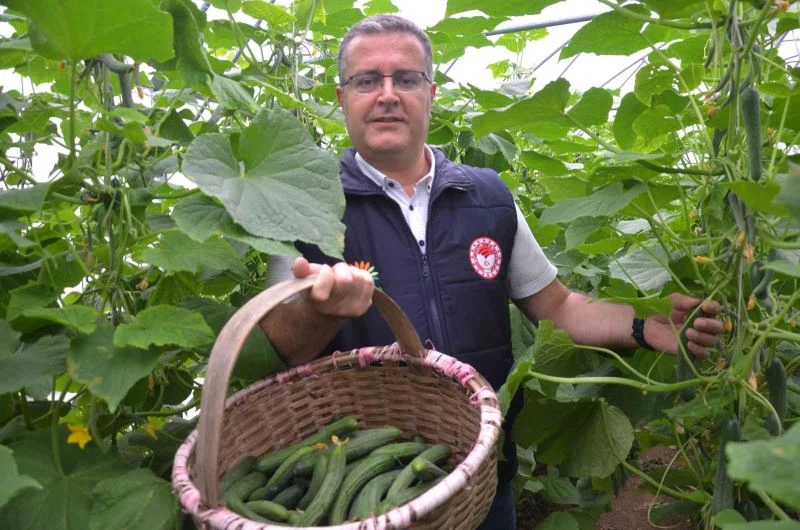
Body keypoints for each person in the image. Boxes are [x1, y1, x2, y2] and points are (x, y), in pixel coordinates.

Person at [259, 14, 724, 530]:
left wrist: (642, 325)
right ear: (342, 96)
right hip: (359, 489)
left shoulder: (489, 197)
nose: (387, 94)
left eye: (406, 79)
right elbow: (276, 351)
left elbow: (559, 305)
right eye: (367, 80)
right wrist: (318, 311)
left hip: (480, 475)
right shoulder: (302, 204)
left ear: (431, 93)